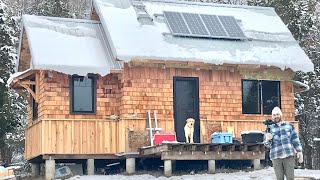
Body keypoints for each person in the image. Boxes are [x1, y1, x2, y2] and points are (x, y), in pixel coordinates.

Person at [264, 106, 303, 180]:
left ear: (281, 115)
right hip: (276, 156)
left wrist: (299, 151)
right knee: (279, 178)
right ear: (272, 117)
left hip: (288, 155)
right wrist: (267, 140)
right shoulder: (269, 128)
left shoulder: (289, 125)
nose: (276, 116)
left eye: (277, 114)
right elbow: (267, 145)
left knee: (290, 178)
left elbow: (295, 139)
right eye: (274, 115)